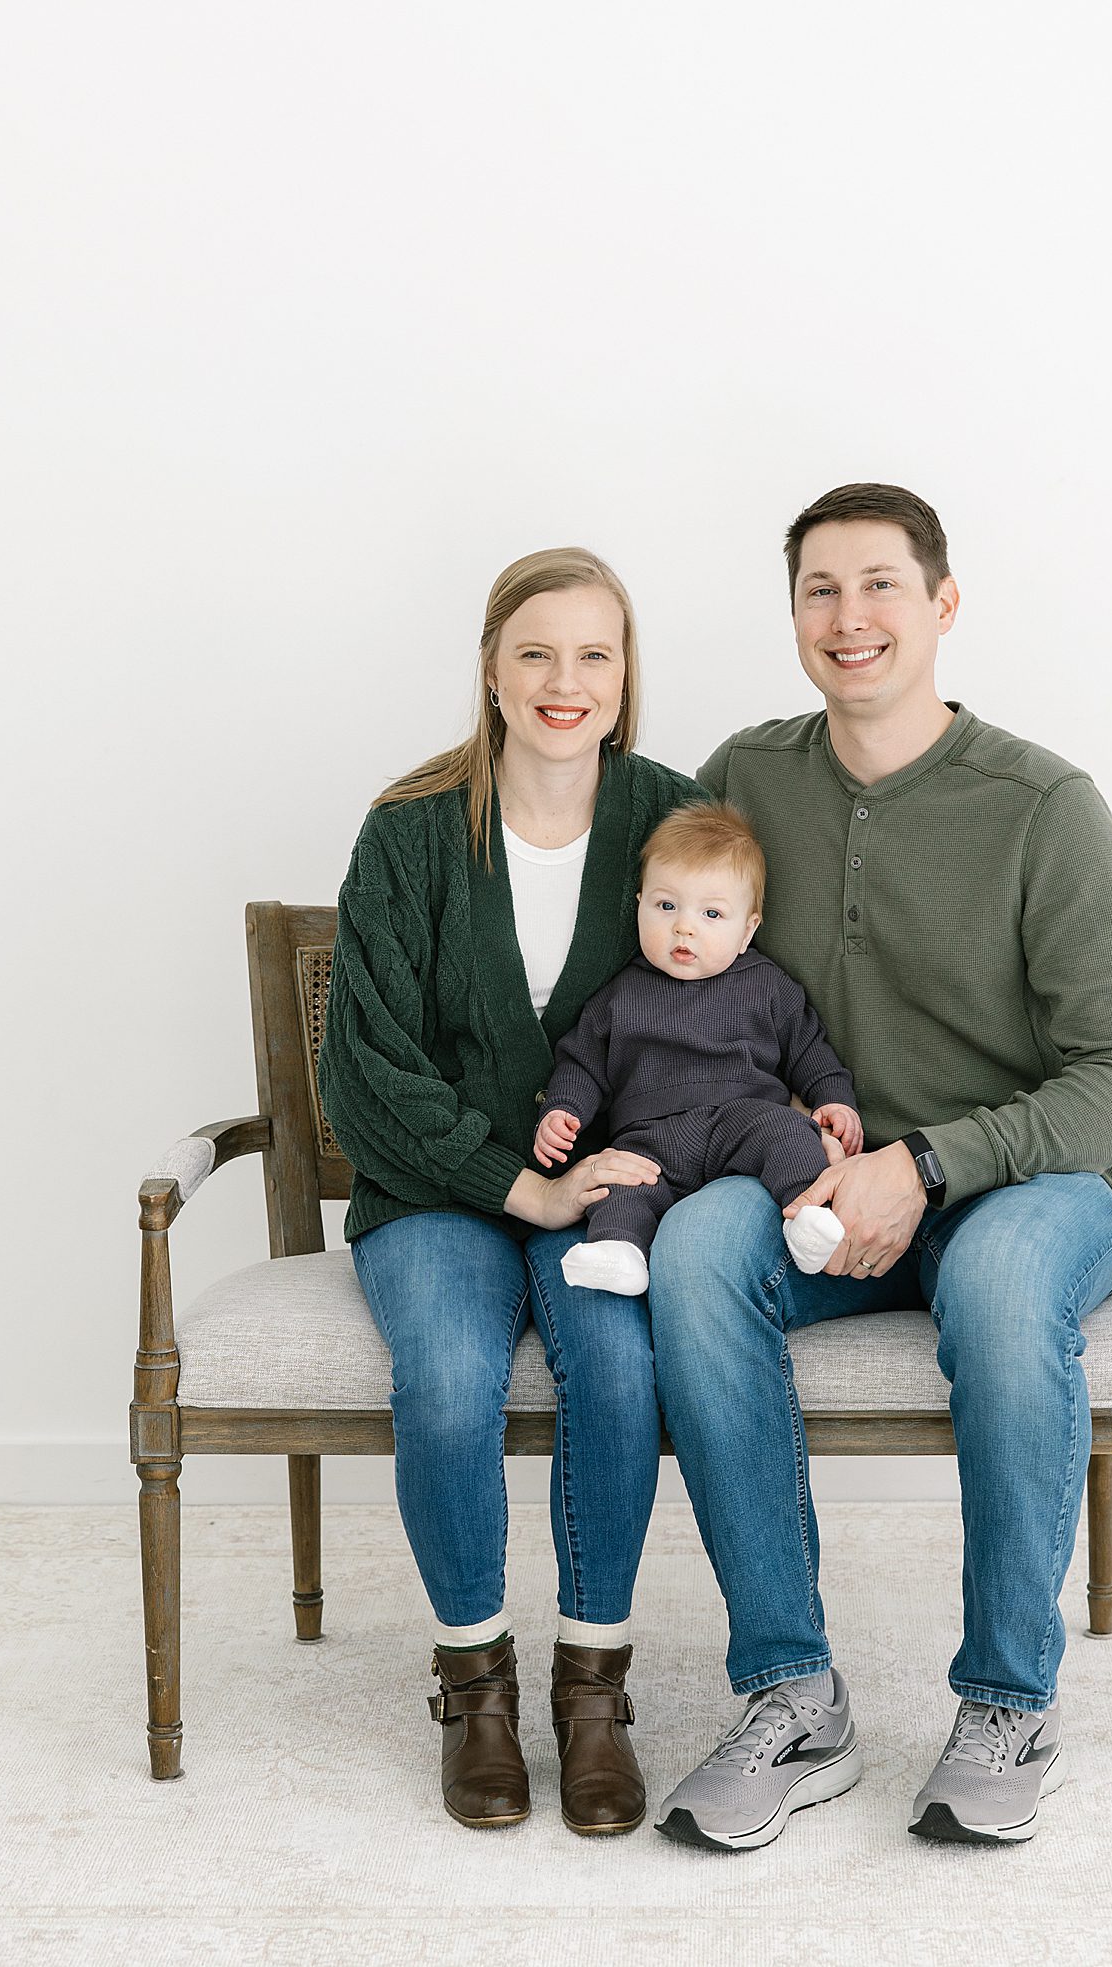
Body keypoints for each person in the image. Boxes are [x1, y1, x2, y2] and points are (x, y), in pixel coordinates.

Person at [642, 482, 1112, 1850]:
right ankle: (792, 1692)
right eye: (819, 589)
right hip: (817, 1190)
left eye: (880, 583)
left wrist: (928, 1163)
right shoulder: (746, 779)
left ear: (943, 603)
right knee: (699, 1249)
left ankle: (1010, 1699)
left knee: (999, 1281)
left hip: (1029, 1187)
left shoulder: (1043, 801)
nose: (849, 616)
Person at [317, 548, 700, 1833]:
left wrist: (603, 1182)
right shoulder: (411, 827)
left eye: (595, 653)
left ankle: (593, 1692)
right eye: (536, 651)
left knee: (617, 1368)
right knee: (443, 1373)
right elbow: (362, 1068)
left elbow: (720, 1019)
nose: (564, 681)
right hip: (434, 1194)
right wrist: (506, 1182)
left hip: (605, 1193)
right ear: (490, 666)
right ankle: (472, 1685)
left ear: (626, 671)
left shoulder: (669, 813)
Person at [534, 799, 863, 1298]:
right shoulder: (618, 996)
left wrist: (834, 1101)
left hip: (744, 1118)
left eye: (712, 913)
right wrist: (562, 1111)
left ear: (747, 930)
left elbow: (810, 1051)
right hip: (649, 1139)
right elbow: (580, 1063)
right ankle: (619, 1252)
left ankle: (808, 1217)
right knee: (619, 1182)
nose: (684, 927)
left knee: (792, 1137)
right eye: (666, 906)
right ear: (640, 903)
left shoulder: (768, 986)